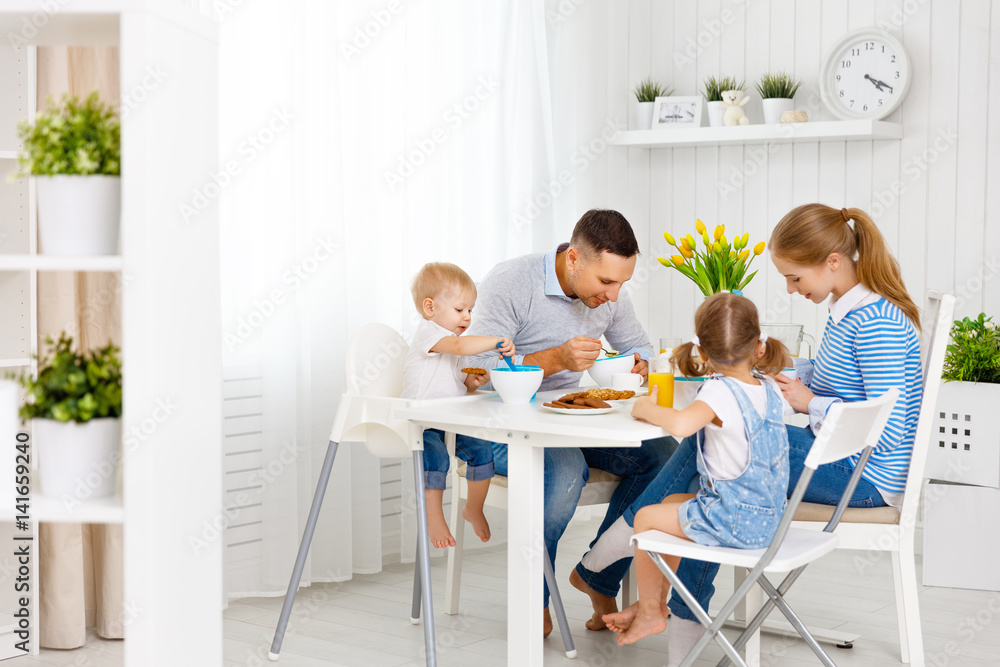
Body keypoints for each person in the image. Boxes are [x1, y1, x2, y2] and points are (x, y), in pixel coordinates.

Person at [580, 203, 923, 665]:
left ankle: (608, 560)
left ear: (833, 262)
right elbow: (843, 377)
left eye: (796, 278)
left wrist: (809, 402)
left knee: (712, 451)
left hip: (866, 478)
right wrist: (778, 371)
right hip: (848, 463)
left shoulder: (874, 320)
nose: (790, 289)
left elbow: (885, 417)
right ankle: (647, 593)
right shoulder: (850, 309)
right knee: (717, 459)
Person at [463, 209, 675, 635]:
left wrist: (640, 365)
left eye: (622, 283)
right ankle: (534, 598)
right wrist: (555, 358)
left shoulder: (608, 295)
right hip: (500, 423)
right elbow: (477, 370)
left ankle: (598, 575)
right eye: (606, 283)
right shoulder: (511, 282)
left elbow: (644, 351)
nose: (614, 296)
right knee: (562, 472)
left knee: (664, 456)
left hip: (567, 417)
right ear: (574, 259)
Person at [604, 292, 793, 648]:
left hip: (734, 522)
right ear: (759, 347)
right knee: (676, 500)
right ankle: (659, 602)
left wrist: (643, 407)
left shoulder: (720, 391)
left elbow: (680, 425)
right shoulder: (769, 390)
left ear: (702, 353)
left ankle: (649, 611)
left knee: (645, 518)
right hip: (770, 520)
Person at [401, 262, 515, 549]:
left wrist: (472, 384)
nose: (467, 317)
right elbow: (462, 348)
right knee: (437, 460)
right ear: (430, 308)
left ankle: (473, 508)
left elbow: (456, 384)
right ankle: (434, 517)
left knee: (482, 451)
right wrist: (496, 341)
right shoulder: (429, 333)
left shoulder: (452, 343)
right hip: (423, 421)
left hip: (448, 420)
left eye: (470, 311)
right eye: (460, 309)